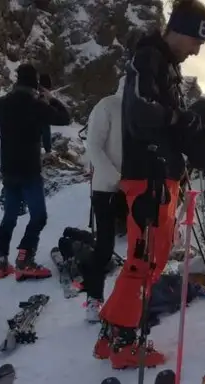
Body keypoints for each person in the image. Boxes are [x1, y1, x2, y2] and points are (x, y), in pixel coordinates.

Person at [93, 0, 205, 369]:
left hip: (157, 173)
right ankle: (126, 343)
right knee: (145, 260)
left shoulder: (161, 64)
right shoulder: (149, 59)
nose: (196, 50)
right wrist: (185, 121)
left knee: (147, 258)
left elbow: (159, 119)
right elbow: (142, 114)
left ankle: (110, 334)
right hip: (150, 175)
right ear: (180, 29)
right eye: (196, 41)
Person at [0, 62, 72, 281]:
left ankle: (0, 261)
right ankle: (25, 258)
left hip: (9, 170)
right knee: (39, 216)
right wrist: (49, 97)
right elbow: (65, 118)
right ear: (35, 84)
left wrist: (6, 117)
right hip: (30, 171)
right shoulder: (36, 105)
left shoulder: (6, 103)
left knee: (10, 215)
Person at [81, 84, 128, 323]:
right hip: (107, 189)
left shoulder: (143, 110)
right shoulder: (108, 105)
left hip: (132, 187)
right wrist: (117, 180)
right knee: (105, 246)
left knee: (139, 246)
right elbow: (94, 147)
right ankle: (94, 298)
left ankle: (131, 298)